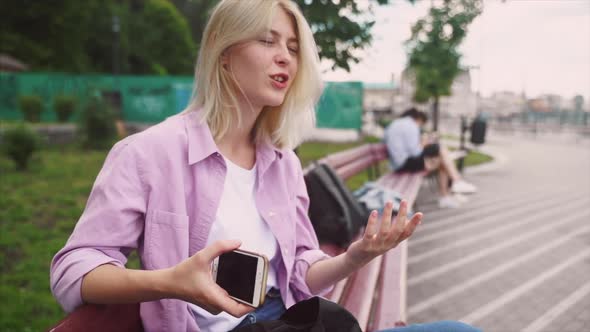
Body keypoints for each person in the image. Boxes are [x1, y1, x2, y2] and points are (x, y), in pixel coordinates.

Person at [50, 1, 480, 331]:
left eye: (293, 48)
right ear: (223, 51)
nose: (285, 58)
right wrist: (170, 282)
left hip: (290, 319)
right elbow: (73, 270)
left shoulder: (282, 162)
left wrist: (357, 255)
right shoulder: (147, 153)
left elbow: (299, 270)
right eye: (268, 41)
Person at [384, 108, 477, 209]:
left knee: (442, 158)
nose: (420, 126)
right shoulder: (411, 125)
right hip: (403, 165)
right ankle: (454, 184)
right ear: (418, 119)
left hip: (397, 163)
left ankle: (449, 193)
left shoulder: (395, 124)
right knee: (440, 150)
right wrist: (424, 142)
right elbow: (416, 152)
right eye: (421, 124)